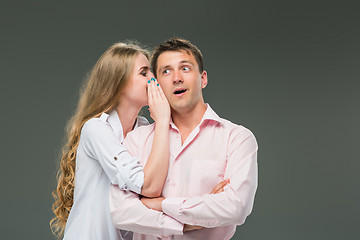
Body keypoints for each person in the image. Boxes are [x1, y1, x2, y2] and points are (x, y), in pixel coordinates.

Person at [109, 38, 258, 239]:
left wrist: (159, 204)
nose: (176, 78)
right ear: (157, 83)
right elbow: (121, 213)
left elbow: (235, 207)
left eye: (185, 68)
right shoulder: (136, 140)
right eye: (166, 71)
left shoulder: (236, 138)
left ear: (203, 78)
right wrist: (186, 222)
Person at [50, 42, 172, 240]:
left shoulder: (145, 128)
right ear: (119, 83)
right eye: (144, 73)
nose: (153, 79)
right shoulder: (96, 129)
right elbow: (148, 188)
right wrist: (164, 120)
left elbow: (162, 184)